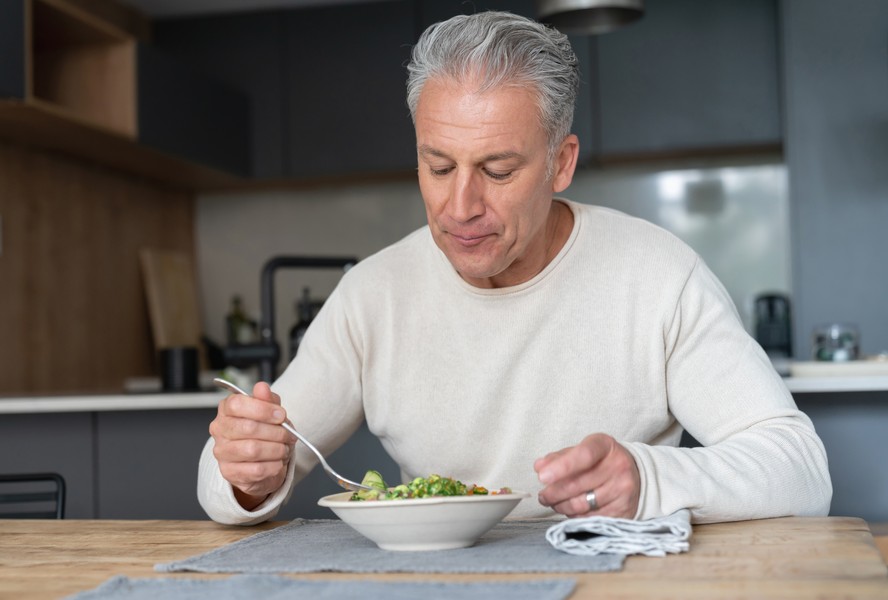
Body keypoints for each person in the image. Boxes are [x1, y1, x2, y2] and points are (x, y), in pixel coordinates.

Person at [198, 11, 831, 526]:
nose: (460, 206)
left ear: (561, 163)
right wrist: (248, 472)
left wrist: (650, 479)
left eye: (498, 171)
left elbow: (800, 469)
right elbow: (226, 477)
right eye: (438, 167)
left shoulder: (659, 276)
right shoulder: (373, 295)